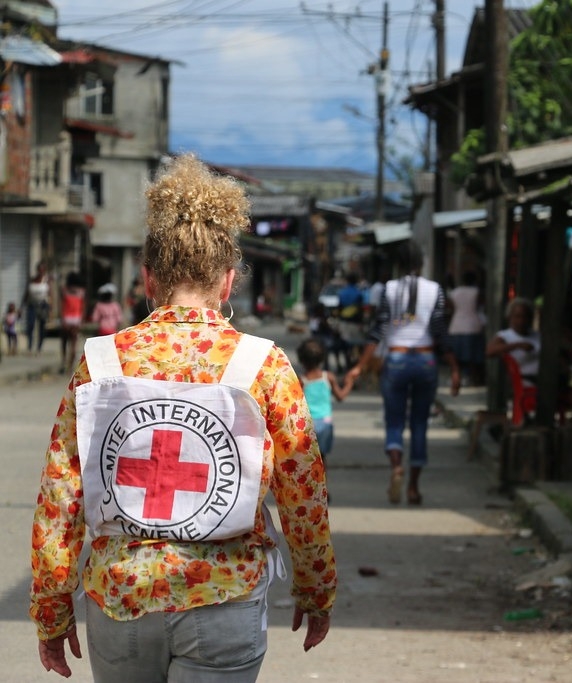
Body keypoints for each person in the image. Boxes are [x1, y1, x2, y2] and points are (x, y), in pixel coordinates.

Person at [29, 153, 336, 681]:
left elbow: (61, 495)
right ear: (228, 280)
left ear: (148, 279)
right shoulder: (263, 365)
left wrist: (51, 611)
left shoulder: (100, 361)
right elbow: (301, 488)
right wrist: (315, 586)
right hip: (223, 597)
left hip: (119, 596)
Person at [346, 241, 461, 506]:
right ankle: (414, 487)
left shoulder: (389, 289)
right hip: (425, 360)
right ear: (421, 263)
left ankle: (396, 466)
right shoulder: (436, 291)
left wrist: (359, 366)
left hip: (396, 358)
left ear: (398, 264)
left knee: (394, 421)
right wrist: (454, 368)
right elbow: (440, 333)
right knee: (420, 423)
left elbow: (378, 331)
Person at [485, 297, 572, 424]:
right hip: (530, 384)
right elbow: (490, 351)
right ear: (509, 317)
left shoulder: (537, 335)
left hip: (554, 382)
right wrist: (517, 345)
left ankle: (565, 430)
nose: (521, 321)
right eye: (517, 316)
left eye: (525, 317)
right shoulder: (505, 335)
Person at [297, 336, 354, 467]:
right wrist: (349, 383)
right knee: (322, 459)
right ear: (322, 358)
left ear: (301, 360)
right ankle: (323, 486)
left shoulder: (301, 381)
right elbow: (340, 396)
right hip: (325, 423)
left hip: (307, 425)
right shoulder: (328, 377)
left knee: (307, 459)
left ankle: (310, 485)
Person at [447, 271, 485, 386]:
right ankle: (472, 378)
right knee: (473, 357)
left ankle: (456, 377)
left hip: (456, 326)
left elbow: (452, 309)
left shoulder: (454, 293)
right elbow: (480, 307)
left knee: (456, 356)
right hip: (473, 325)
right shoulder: (477, 292)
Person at [60, 272, 86, 372]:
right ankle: (70, 366)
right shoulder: (81, 292)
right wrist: (81, 321)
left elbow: (62, 306)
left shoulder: (65, 291)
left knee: (64, 342)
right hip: (76, 319)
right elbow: (83, 308)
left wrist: (62, 319)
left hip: (66, 318)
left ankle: (63, 362)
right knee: (74, 344)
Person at [22, 262, 50, 355]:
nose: (41, 272)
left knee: (42, 327)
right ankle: (30, 347)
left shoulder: (46, 281)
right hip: (32, 305)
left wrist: (51, 308)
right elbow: (26, 294)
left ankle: (39, 348)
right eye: (39, 270)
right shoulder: (32, 280)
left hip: (43, 305)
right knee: (30, 325)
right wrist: (21, 307)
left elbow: (50, 294)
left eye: (42, 270)